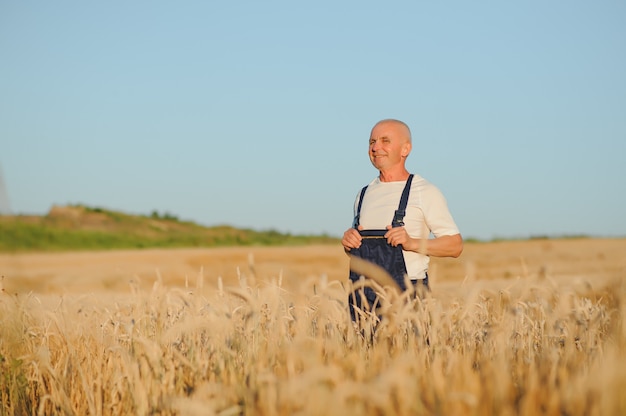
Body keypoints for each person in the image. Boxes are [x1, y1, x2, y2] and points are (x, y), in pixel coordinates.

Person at [342, 119, 463, 319]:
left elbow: (455, 246)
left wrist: (412, 243)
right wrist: (349, 244)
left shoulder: (424, 191)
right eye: (372, 142)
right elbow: (362, 254)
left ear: (405, 149)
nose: (376, 147)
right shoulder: (363, 194)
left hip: (408, 297)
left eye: (385, 141)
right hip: (363, 298)